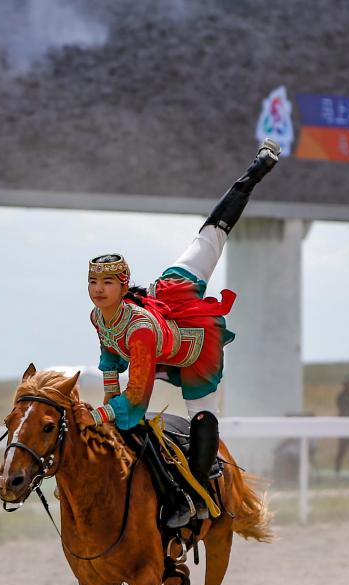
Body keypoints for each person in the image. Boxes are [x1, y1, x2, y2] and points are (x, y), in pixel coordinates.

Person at [85, 139, 281, 527]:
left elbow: (138, 399)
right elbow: (110, 358)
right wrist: (108, 406)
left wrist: (101, 413)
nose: (98, 289)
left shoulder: (140, 328)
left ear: (124, 286)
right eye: (93, 281)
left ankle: (200, 493)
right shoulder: (98, 316)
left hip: (195, 349)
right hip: (162, 318)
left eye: (107, 282)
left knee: (211, 234)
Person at [334, 375, 349, 478]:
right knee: (342, 450)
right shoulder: (341, 397)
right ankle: (337, 472)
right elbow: (343, 409)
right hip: (344, 427)